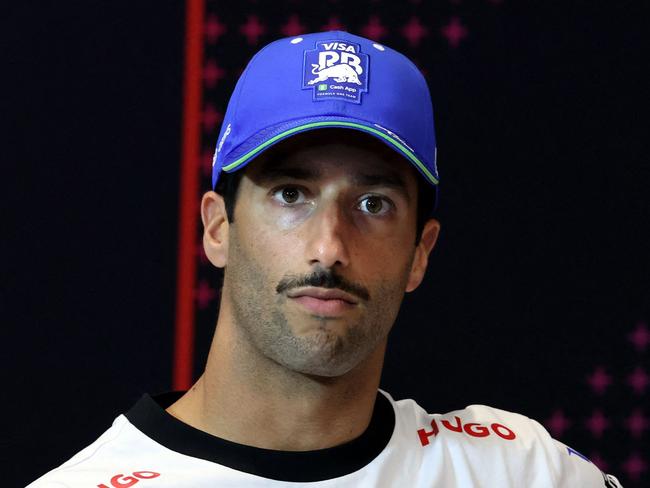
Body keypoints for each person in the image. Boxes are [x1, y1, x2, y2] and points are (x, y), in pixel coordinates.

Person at [28, 31, 622, 488]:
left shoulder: (521, 470)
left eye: (374, 203)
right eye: (292, 194)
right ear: (218, 228)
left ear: (420, 253)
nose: (330, 246)